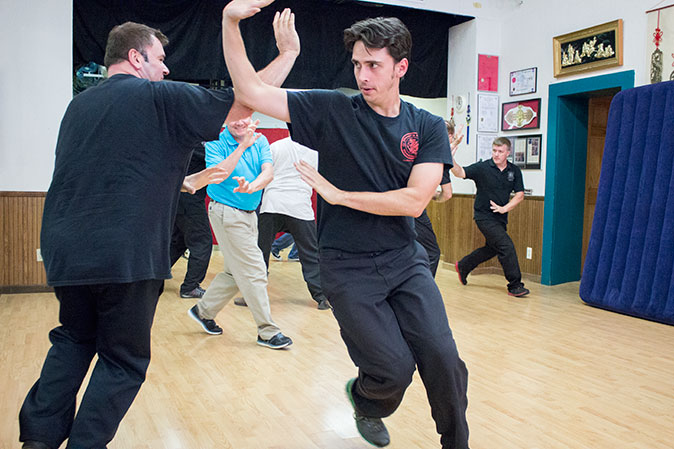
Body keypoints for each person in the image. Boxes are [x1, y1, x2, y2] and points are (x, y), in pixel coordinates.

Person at [19, 11, 299, 449]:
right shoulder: (158, 98)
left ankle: (37, 440)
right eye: (160, 58)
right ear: (136, 58)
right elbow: (246, 99)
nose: (166, 68)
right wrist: (288, 53)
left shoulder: (79, 105)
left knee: (74, 339)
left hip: (63, 250)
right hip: (123, 253)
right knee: (122, 361)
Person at [221, 2, 469, 448]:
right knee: (393, 369)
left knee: (444, 360)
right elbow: (250, 92)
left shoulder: (427, 126)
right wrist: (231, 22)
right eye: (357, 64)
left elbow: (415, 201)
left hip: (403, 259)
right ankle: (366, 398)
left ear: (401, 68)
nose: (363, 75)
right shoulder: (332, 111)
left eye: (374, 64)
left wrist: (338, 196)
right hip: (346, 267)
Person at [187, 116, 293, 349]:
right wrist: (243, 145)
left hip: (248, 212)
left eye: (243, 118)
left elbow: (268, 172)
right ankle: (267, 331)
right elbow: (220, 174)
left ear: (252, 117)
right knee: (255, 270)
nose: (239, 123)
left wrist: (253, 187)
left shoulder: (261, 140)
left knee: (234, 273)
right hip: (226, 212)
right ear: (225, 120)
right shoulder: (216, 142)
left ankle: (203, 311)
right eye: (233, 118)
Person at [257, 136, 330, 310]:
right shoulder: (316, 149)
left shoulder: (275, 146)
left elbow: (263, 173)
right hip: (299, 206)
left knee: (261, 252)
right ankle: (321, 297)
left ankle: (253, 296)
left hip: (272, 204)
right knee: (311, 254)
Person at [451, 136, 530, 297]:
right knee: (506, 246)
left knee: (492, 248)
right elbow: (460, 172)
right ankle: (515, 285)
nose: (496, 154)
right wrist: (449, 158)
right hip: (483, 216)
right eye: (494, 150)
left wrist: (504, 209)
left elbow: (520, 195)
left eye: (500, 151)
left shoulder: (514, 171)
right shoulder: (482, 168)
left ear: (508, 152)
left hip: (500, 217)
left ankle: (464, 265)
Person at [414, 120, 463, 277]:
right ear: (447, 135)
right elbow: (447, 194)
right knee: (432, 253)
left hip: (390, 202)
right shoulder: (438, 156)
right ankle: (423, 292)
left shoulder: (417, 148)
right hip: (413, 208)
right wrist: (433, 195)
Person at [170, 143, 214, 299]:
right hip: (189, 198)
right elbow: (217, 165)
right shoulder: (199, 145)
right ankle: (190, 287)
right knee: (202, 241)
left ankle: (155, 276)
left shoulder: (185, 141)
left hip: (177, 197)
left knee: (179, 240)